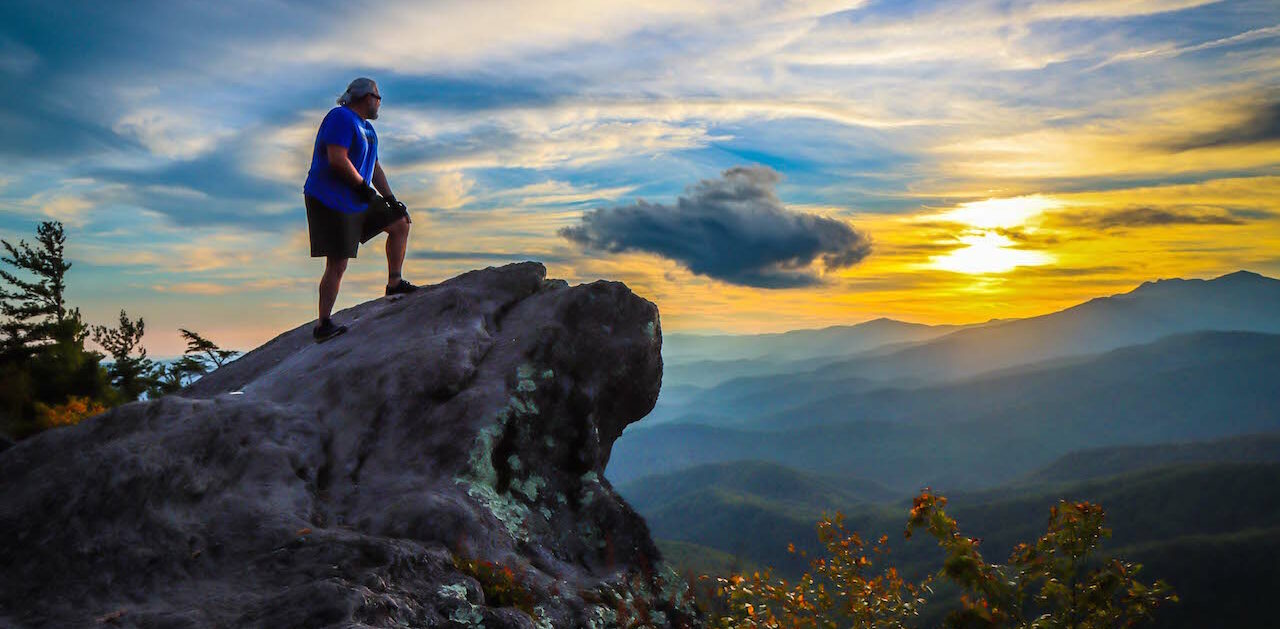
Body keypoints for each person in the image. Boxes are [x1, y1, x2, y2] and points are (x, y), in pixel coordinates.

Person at [304, 77, 418, 343]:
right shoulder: (341, 118)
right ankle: (323, 325)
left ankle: (394, 283)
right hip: (330, 199)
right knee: (338, 263)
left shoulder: (368, 129)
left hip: (357, 196)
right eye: (378, 97)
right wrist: (363, 188)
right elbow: (337, 159)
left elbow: (375, 167)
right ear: (366, 97)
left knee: (400, 222)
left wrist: (390, 199)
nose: (380, 103)